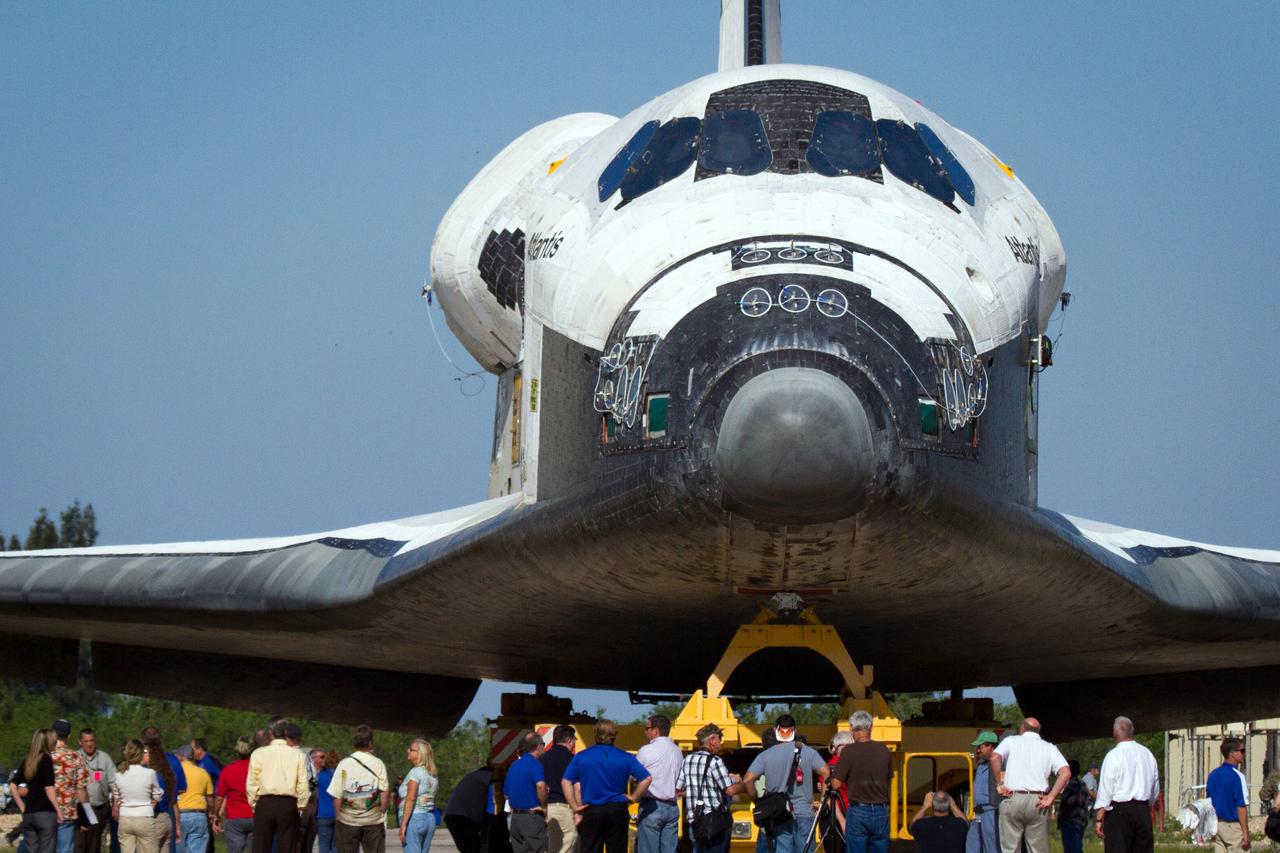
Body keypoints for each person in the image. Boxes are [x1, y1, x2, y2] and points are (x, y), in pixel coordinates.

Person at [741, 714, 830, 853]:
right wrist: (824, 801)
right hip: (804, 812)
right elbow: (826, 773)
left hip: (779, 813)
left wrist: (756, 799)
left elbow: (747, 780)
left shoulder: (765, 755)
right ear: (795, 730)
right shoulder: (809, 752)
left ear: (776, 730)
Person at [561, 719, 652, 853]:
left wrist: (575, 806)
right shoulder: (626, 757)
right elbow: (647, 778)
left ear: (595, 734)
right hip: (617, 810)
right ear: (614, 735)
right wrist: (634, 797)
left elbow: (566, 782)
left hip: (592, 810)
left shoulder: (582, 757)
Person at [989, 718, 1070, 853]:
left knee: (1010, 848)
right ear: (1039, 731)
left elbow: (994, 757)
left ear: (1022, 728)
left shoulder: (1011, 741)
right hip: (1039, 800)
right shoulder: (1049, 747)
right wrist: (1051, 797)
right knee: (1038, 849)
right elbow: (1065, 772)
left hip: (1013, 797)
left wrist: (999, 784)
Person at [1093, 717, 1158, 853]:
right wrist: (1148, 806)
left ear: (1115, 733)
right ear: (1132, 731)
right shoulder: (1147, 754)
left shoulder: (1113, 756)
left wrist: (1099, 818)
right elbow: (1154, 786)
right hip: (1142, 809)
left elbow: (1106, 790)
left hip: (1119, 812)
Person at [247, 719, 310, 853]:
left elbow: (252, 783)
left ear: (270, 733)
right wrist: (300, 808)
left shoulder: (258, 753)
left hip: (265, 802)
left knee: (260, 847)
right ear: (286, 734)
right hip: (288, 804)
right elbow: (303, 785)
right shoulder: (298, 755)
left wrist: (254, 805)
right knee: (288, 847)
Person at [829, 711, 889, 853]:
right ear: (871, 727)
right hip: (881, 810)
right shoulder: (884, 750)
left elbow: (836, 784)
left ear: (852, 729)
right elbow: (888, 777)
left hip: (858, 810)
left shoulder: (849, 751)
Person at [675, 723, 740, 853]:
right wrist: (740, 782)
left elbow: (678, 790)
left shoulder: (687, 759)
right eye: (719, 739)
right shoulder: (716, 761)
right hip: (715, 823)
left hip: (695, 822)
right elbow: (729, 790)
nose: (720, 744)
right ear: (712, 740)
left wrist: (697, 790)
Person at [327, 725, 388, 853]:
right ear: (370, 743)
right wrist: (381, 811)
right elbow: (384, 792)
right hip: (373, 821)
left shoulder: (344, 764)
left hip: (348, 820)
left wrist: (338, 816)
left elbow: (337, 794)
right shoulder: (378, 764)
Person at [636, 716, 683, 853]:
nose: (645, 732)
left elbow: (633, 774)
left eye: (647, 728)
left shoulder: (646, 750)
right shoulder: (677, 751)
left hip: (652, 806)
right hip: (672, 807)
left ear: (655, 731)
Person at [110, 739, 163, 853]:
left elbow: (117, 797)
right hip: (144, 817)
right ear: (140, 754)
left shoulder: (118, 775)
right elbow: (157, 794)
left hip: (125, 818)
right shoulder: (149, 773)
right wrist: (151, 805)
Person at [13, 729, 59, 853]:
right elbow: (49, 787)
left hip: (29, 814)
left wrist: (22, 807)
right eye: (54, 740)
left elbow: (13, 785)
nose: (56, 743)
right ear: (48, 742)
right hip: (45, 813)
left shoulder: (28, 760)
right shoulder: (47, 759)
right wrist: (58, 810)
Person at [141, 729, 186, 853]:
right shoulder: (174, 760)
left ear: (142, 741)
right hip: (168, 814)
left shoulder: (142, 761)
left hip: (150, 814)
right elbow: (181, 789)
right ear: (160, 740)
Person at [51, 719, 91, 853]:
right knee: (65, 849)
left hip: (46, 810)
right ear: (69, 736)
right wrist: (87, 814)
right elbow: (81, 789)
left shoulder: (44, 755)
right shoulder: (76, 757)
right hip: (66, 811)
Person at [504, 733, 548, 853]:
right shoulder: (535, 764)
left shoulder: (514, 765)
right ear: (539, 746)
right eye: (543, 745)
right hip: (531, 819)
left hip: (516, 820)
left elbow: (506, 794)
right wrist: (544, 807)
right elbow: (540, 785)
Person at [1207, 737, 1250, 853]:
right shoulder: (1238, 776)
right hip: (1233, 826)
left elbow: (1209, 802)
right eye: (1242, 751)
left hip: (1217, 825)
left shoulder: (1213, 775)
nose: (1243, 753)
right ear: (1233, 754)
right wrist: (1245, 832)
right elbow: (1241, 806)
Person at [77, 728, 117, 853]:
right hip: (79, 809)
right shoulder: (74, 757)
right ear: (80, 742)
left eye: (92, 740)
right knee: (79, 844)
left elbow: (114, 782)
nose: (89, 744)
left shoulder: (105, 758)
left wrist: (116, 803)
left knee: (94, 846)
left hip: (99, 808)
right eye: (86, 741)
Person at [539, 727, 578, 853]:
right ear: (569, 740)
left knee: (550, 847)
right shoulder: (573, 760)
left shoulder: (542, 759)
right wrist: (579, 810)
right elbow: (577, 787)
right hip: (564, 810)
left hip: (544, 810)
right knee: (566, 845)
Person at [214, 738, 254, 853]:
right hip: (255, 814)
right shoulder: (258, 770)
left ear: (237, 751)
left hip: (235, 817)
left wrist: (216, 815)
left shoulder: (228, 771)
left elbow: (220, 798)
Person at [398, 740, 439, 853]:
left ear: (420, 754)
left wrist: (403, 825)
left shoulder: (415, 772)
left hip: (414, 818)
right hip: (429, 819)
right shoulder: (432, 774)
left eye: (411, 749)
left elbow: (411, 798)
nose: (408, 751)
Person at [444, 766, 496, 853]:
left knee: (471, 847)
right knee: (472, 848)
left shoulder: (473, 776)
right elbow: (498, 781)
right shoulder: (485, 775)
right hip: (461, 817)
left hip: (454, 815)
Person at [174, 746, 214, 853]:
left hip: (179, 815)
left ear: (181, 757)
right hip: (198, 815)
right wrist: (211, 813)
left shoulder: (174, 772)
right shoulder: (203, 773)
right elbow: (210, 798)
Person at [965, 732, 1000, 853]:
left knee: (991, 844)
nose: (978, 750)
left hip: (990, 808)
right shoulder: (981, 765)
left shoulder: (1000, 765)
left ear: (991, 746)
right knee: (972, 843)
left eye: (980, 747)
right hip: (977, 811)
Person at [1056, 761, 1088, 853]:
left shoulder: (1072, 784)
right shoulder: (1083, 784)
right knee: (1077, 847)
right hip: (1081, 820)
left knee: (1072, 849)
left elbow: (1069, 803)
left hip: (1071, 821)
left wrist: (1061, 818)